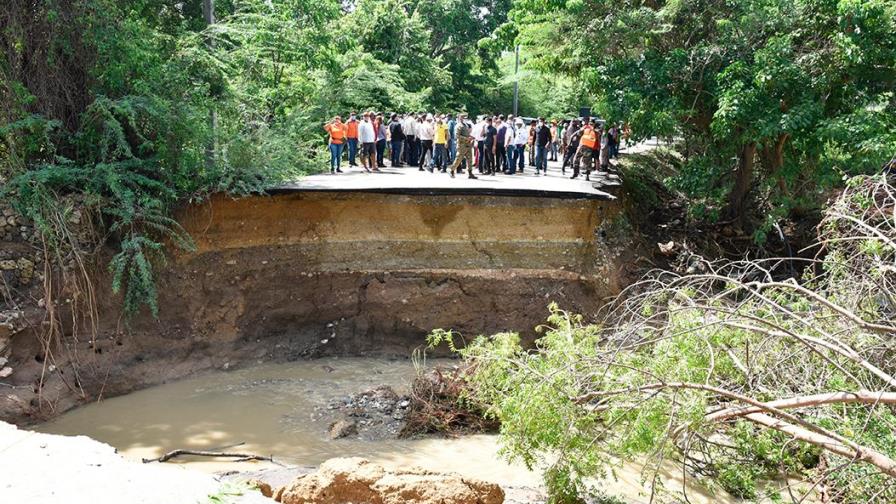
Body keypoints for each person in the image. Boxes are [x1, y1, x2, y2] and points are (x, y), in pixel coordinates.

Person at [447, 114, 477, 179]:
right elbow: (457, 136)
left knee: (470, 159)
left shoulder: (465, 125)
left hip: (468, 144)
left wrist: (471, 137)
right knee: (459, 159)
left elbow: (466, 134)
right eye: (464, 118)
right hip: (461, 145)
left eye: (466, 118)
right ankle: (451, 170)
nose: (465, 119)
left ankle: (470, 172)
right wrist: (467, 138)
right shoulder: (458, 126)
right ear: (460, 118)